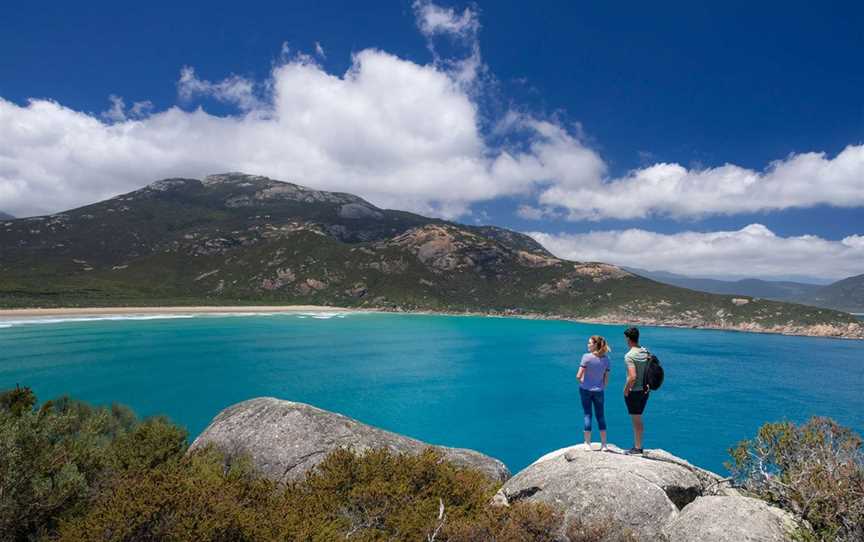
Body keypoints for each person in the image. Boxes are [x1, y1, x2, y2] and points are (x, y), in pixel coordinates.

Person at [577, 335, 611, 451]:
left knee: (587, 415)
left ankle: (587, 444)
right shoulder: (606, 360)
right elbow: (606, 380)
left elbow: (578, 376)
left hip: (585, 390)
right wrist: (600, 386)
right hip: (599, 391)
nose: (588, 345)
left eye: (589, 343)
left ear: (595, 345)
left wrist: (584, 383)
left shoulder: (586, 357)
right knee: (600, 416)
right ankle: (604, 445)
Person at [623, 326, 649, 455]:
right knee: (639, 418)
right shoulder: (645, 351)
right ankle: (638, 445)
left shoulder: (629, 356)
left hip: (635, 391)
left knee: (636, 420)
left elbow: (632, 376)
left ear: (628, 338)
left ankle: (638, 448)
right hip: (645, 390)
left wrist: (626, 389)